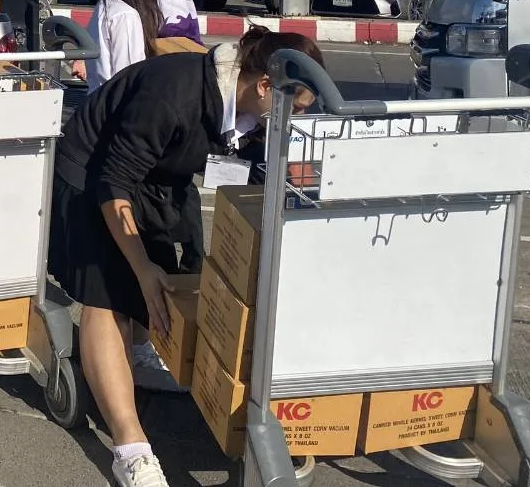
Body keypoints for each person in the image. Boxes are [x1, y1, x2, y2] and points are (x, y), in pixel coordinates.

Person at [49, 26, 325, 487]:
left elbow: (258, 170)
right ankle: (130, 448)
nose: (295, 119)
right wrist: (141, 269)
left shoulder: (247, 107)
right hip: (91, 176)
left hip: (155, 177)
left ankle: (138, 355)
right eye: (294, 109)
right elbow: (113, 184)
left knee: (165, 270)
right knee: (109, 293)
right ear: (264, 86)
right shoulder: (172, 96)